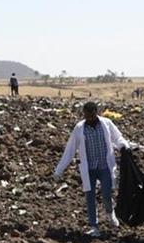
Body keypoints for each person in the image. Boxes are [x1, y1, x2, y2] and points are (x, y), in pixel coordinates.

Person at [52, 100, 129, 236]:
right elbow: (70, 150)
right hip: (89, 169)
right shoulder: (79, 128)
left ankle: (110, 213)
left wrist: (123, 145)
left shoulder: (106, 123)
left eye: (91, 116)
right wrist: (59, 170)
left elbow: (117, 137)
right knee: (90, 197)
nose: (89, 119)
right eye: (86, 116)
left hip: (105, 166)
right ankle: (94, 225)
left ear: (96, 113)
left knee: (106, 193)